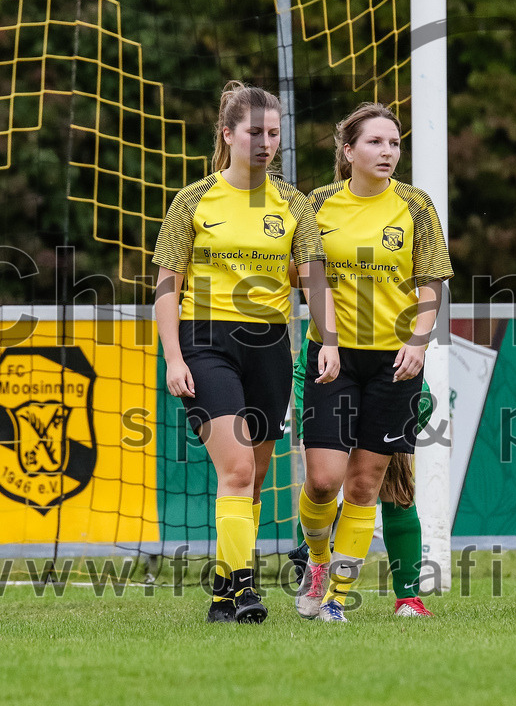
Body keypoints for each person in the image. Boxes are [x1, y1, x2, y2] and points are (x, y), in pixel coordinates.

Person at [154, 81, 339, 624]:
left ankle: (221, 596)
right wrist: (174, 358)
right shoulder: (193, 199)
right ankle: (244, 587)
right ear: (228, 134)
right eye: (254, 132)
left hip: (269, 347)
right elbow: (167, 285)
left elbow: (313, 281)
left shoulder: (294, 205)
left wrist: (327, 341)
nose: (264, 142)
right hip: (205, 342)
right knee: (234, 469)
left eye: (273, 133)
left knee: (254, 479)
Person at [293, 102, 452, 623]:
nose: (388, 152)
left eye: (395, 143)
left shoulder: (416, 206)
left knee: (365, 484)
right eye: (376, 142)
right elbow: (302, 274)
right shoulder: (316, 205)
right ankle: (316, 563)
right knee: (322, 480)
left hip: (395, 362)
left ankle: (336, 597)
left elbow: (432, 281)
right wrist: (331, 330)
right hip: (330, 356)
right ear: (348, 151)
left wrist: (419, 341)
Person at [288, 352, 436, 617]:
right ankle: (316, 560)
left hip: (390, 369)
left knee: (393, 484)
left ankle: (407, 598)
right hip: (326, 368)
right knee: (322, 484)